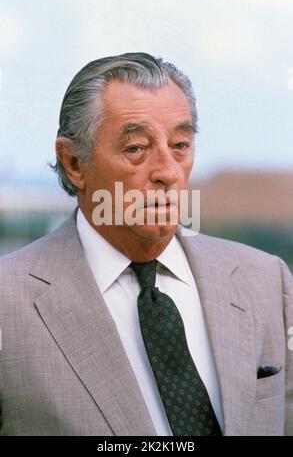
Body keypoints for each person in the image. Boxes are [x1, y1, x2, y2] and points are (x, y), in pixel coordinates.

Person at [0, 52, 292, 436]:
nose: (168, 172)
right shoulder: (9, 302)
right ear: (73, 163)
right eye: (136, 148)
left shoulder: (268, 281)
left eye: (181, 145)